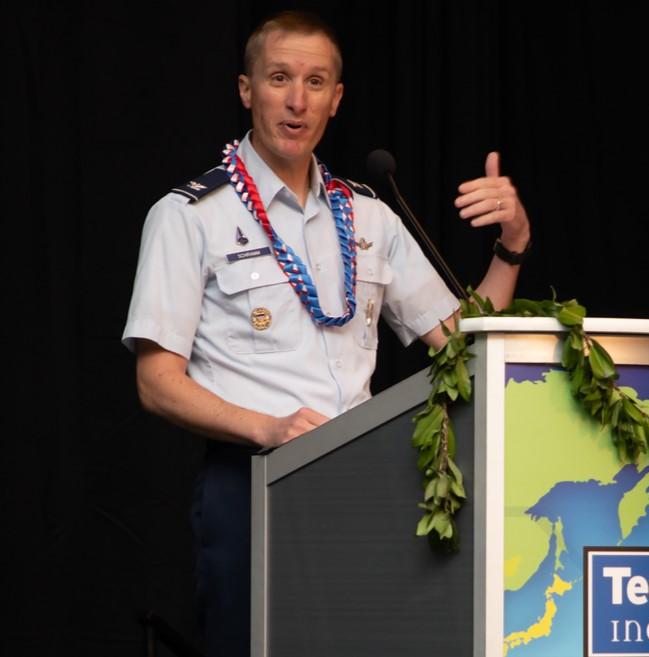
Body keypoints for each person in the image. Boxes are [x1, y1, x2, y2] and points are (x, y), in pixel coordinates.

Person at [122, 10, 531, 657]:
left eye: (315, 82)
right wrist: (269, 427)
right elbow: (156, 382)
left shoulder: (368, 212)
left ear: (336, 100)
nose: (295, 99)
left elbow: (462, 343)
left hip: (366, 483)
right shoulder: (189, 215)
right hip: (251, 479)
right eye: (279, 77)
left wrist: (511, 246)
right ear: (245, 88)